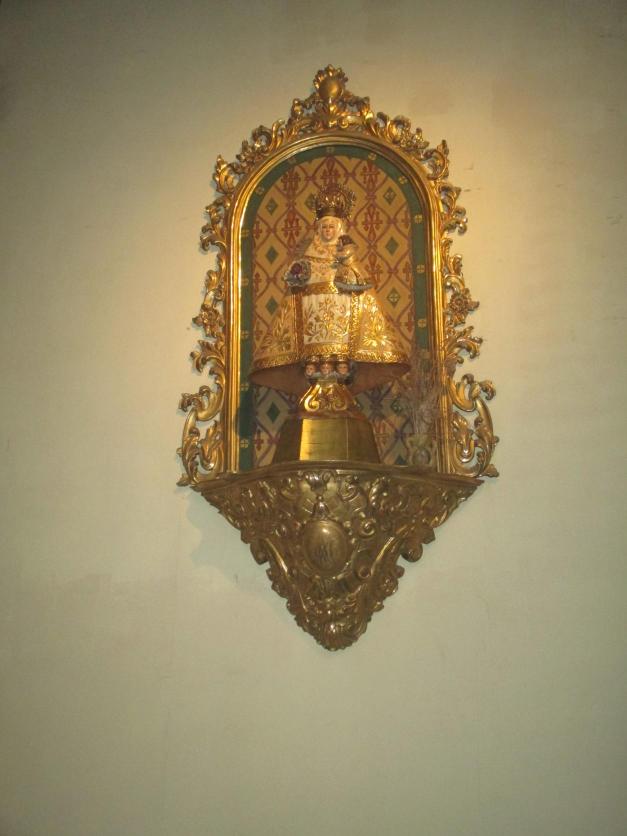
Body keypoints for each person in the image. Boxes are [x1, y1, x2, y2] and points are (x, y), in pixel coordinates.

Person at [249, 185, 408, 396]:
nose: (327, 231)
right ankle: (315, 369)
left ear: (339, 229)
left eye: (331, 227)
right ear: (318, 230)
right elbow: (297, 287)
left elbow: (359, 285)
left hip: (341, 316)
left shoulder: (346, 254)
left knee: (340, 352)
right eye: (324, 227)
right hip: (313, 317)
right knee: (315, 353)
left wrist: (347, 266)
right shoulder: (308, 256)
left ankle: (341, 369)